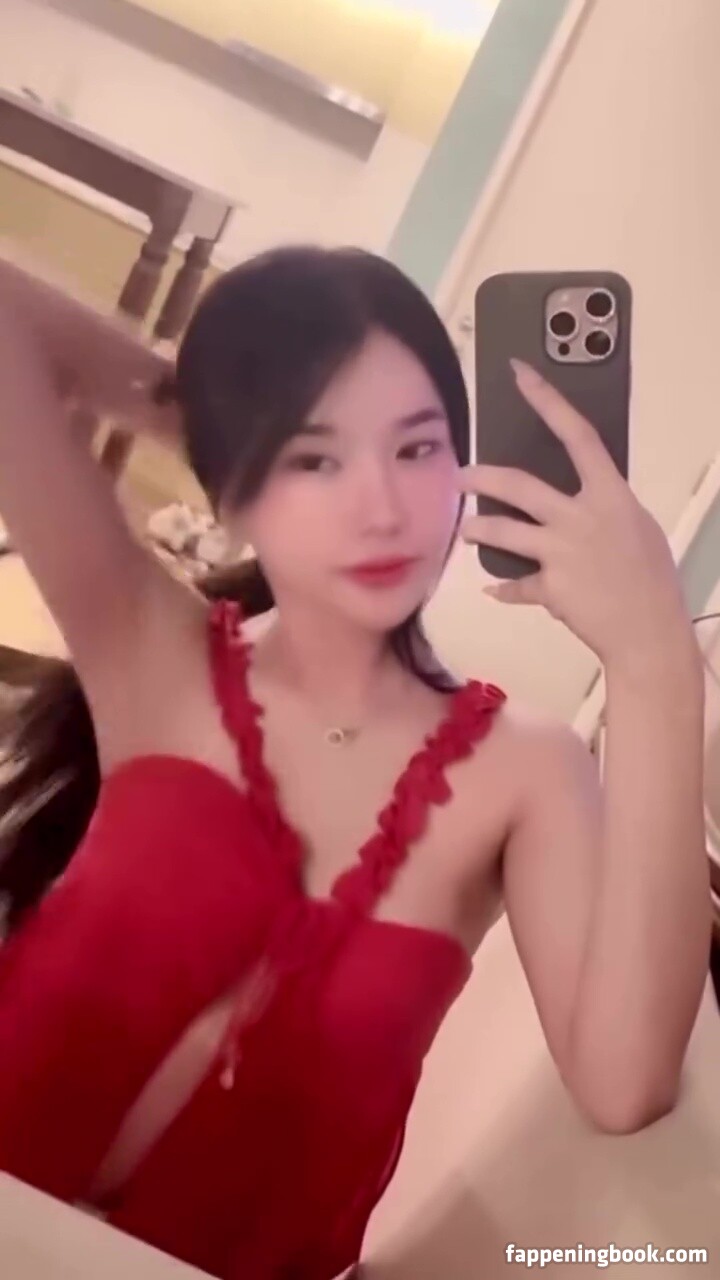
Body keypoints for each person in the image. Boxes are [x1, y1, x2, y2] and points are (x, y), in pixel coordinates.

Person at [0, 244, 710, 1280]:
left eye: (416, 449)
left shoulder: (523, 774)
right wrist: (217, 423)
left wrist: (654, 661)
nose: (380, 506)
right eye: (317, 458)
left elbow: (625, 1083)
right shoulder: (157, 651)